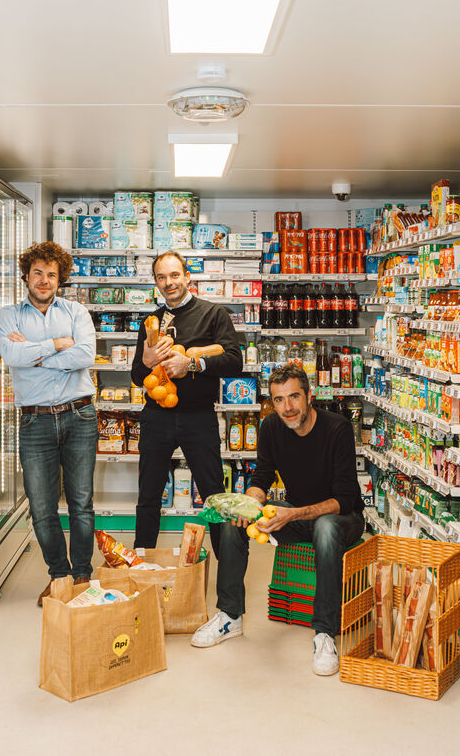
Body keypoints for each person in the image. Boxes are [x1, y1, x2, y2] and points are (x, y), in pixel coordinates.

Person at [191, 363, 365, 676]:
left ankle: (325, 633)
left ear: (309, 396)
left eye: (294, 397)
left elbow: (345, 499)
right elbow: (262, 477)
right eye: (279, 400)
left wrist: (292, 514)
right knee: (234, 520)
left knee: (325, 527)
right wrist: (249, 503)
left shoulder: (337, 428)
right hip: (295, 514)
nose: (288, 407)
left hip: (342, 519)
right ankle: (230, 616)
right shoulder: (271, 426)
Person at [0, 241, 97, 605]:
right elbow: (11, 354)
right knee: (41, 506)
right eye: (37, 273)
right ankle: (59, 576)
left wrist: (35, 355)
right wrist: (57, 344)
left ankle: (82, 575)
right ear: (26, 275)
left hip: (79, 415)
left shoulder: (76, 311)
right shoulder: (9, 316)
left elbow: (85, 354)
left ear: (60, 279)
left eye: (51, 275)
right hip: (34, 421)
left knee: (81, 501)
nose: (44, 280)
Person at [131, 251, 243, 557]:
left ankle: (227, 565)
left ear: (187, 276)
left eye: (174, 275)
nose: (169, 283)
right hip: (156, 417)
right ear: (156, 282)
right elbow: (138, 377)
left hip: (198, 417)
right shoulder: (151, 323)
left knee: (213, 494)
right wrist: (147, 360)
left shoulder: (213, 314)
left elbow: (235, 361)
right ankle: (142, 563)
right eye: (161, 277)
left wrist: (191, 364)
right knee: (148, 494)